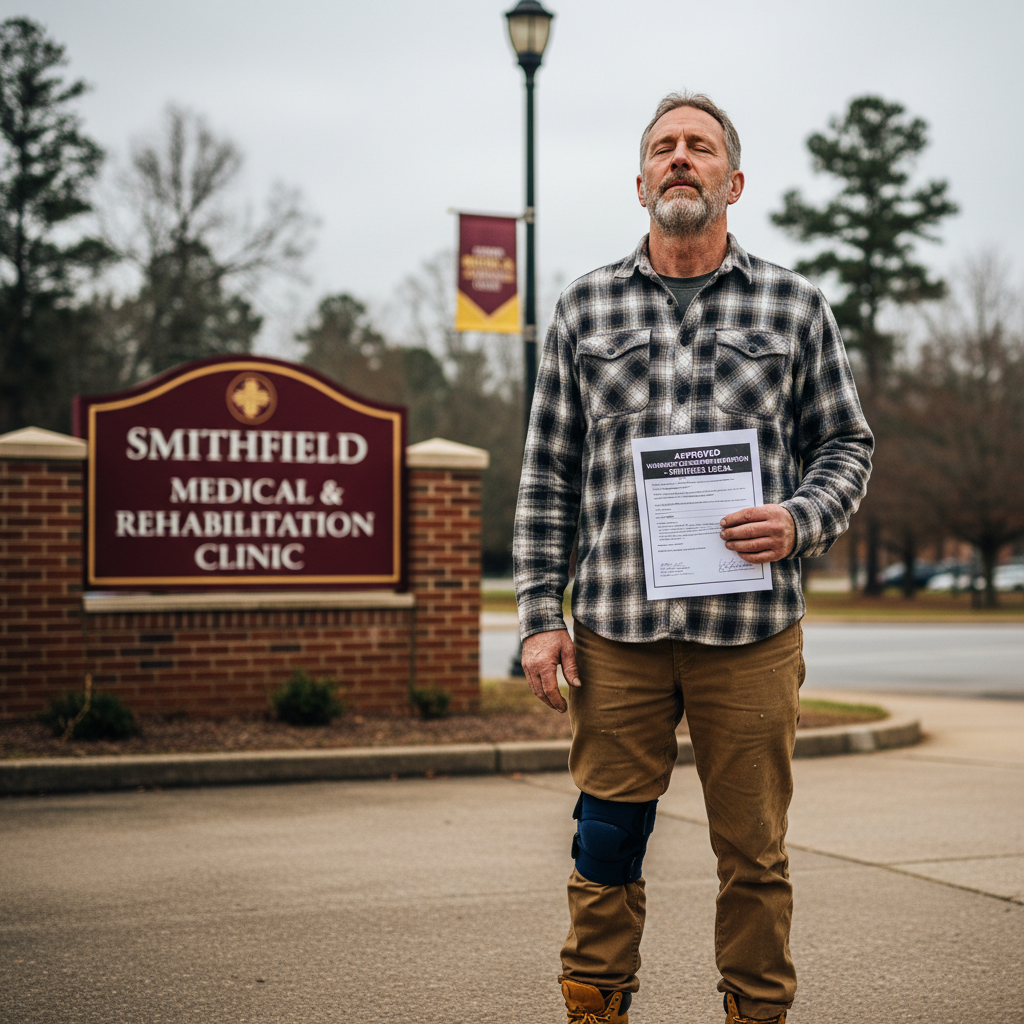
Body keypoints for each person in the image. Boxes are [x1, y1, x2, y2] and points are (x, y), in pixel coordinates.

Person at [512, 92, 872, 1024]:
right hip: (619, 632)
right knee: (606, 840)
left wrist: (799, 520)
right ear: (640, 182)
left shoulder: (794, 306)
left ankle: (756, 1011)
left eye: (700, 147)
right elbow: (547, 473)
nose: (682, 158)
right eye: (664, 147)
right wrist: (540, 619)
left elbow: (846, 445)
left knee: (754, 852)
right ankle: (597, 1007)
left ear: (733, 180)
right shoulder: (585, 307)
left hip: (749, 633)